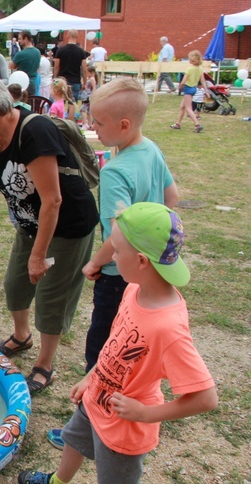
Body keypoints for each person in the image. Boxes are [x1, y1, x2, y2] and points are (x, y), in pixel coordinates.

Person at [18, 202, 218, 484]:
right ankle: (57, 481)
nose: (111, 256)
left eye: (117, 251)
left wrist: (146, 413)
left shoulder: (168, 328)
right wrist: (91, 377)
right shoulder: (134, 290)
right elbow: (117, 343)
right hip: (96, 399)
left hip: (125, 423)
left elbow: (206, 398)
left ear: (141, 261)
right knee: (74, 439)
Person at [0, 71, 98, 394]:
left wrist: (39, 256)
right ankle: (22, 336)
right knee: (15, 285)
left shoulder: (34, 132)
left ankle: (45, 364)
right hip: (30, 224)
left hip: (67, 228)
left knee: (51, 297)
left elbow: (53, 200)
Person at [46, 77, 180, 451]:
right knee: (131, 353)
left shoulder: (114, 171)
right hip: (148, 270)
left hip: (117, 274)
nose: (93, 128)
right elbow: (172, 197)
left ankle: (87, 431)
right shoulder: (151, 149)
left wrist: (94, 264)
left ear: (124, 125)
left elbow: (118, 232)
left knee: (102, 356)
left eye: (99, 123)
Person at [169, 50, 208, 133]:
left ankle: (197, 125)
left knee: (188, 108)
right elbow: (203, 81)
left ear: (192, 59)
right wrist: (206, 90)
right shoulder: (200, 69)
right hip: (194, 89)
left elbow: (183, 81)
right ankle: (177, 124)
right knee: (182, 106)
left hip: (188, 89)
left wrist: (180, 87)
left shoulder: (189, 69)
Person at [54, 29, 88, 102]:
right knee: (72, 103)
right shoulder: (81, 51)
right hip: (75, 80)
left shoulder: (60, 50)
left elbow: (56, 66)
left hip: (62, 79)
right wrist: (85, 82)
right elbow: (84, 68)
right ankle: (71, 113)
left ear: (67, 35)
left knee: (60, 101)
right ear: (77, 36)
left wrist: (55, 78)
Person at [10, 30, 41, 96]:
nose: (19, 41)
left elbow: (11, 66)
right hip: (33, 83)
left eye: (20, 39)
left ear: (26, 39)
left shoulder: (21, 54)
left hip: (21, 84)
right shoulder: (38, 52)